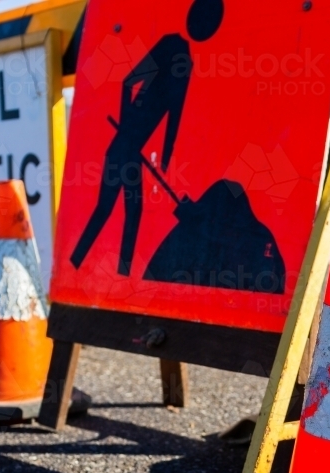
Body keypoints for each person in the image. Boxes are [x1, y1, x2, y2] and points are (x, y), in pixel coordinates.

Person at [70, 0, 224, 276]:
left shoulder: (186, 64)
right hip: (122, 148)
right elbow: (128, 81)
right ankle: (80, 264)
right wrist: (127, 128)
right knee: (106, 209)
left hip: (131, 150)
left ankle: (118, 275)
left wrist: (165, 159)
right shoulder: (168, 47)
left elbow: (173, 119)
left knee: (131, 214)